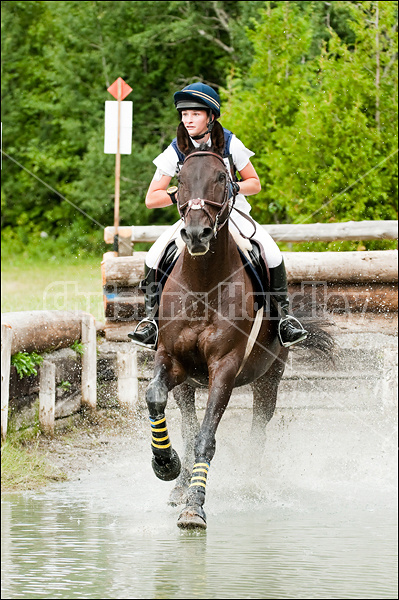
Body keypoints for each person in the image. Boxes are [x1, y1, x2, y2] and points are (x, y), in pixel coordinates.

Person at [128, 82, 308, 349]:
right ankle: (151, 322)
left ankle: (284, 319)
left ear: (210, 116)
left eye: (195, 114)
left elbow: (255, 184)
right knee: (155, 254)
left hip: (232, 213)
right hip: (193, 217)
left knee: (270, 251)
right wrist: (181, 195)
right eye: (184, 114)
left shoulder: (230, 143)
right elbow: (152, 197)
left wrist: (234, 187)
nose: (188, 120)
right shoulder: (175, 150)